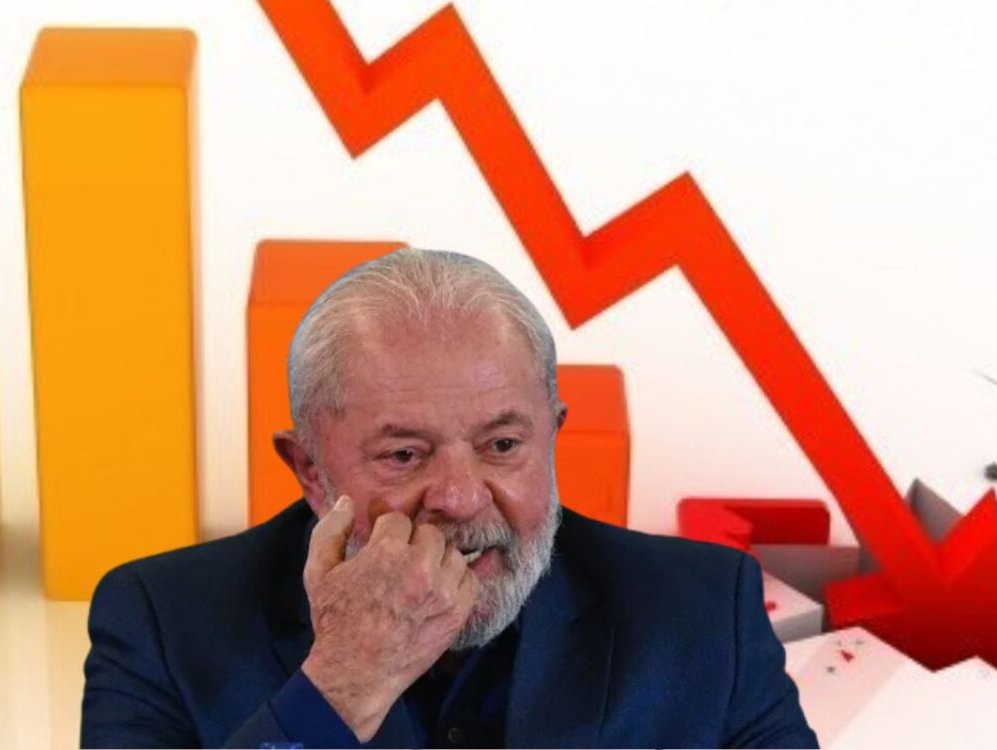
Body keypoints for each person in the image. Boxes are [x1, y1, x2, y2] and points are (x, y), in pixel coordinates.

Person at [81, 248, 819, 748]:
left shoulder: (703, 610)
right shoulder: (160, 621)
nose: (462, 500)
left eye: (503, 445)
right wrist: (341, 687)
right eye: (404, 455)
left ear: (552, 435)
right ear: (311, 470)